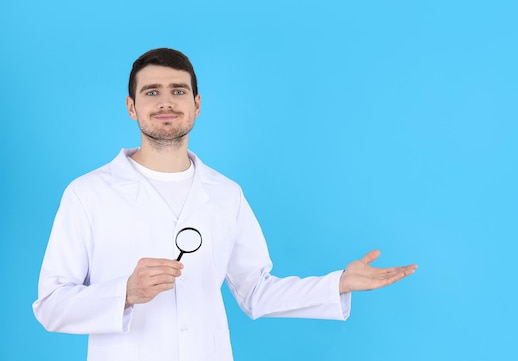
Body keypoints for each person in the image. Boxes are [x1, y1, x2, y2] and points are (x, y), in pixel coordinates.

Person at [32, 48, 417, 361]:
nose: (166, 102)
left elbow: (256, 292)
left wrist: (338, 283)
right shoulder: (89, 193)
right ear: (131, 106)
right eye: (151, 92)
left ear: (197, 104)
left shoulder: (225, 194)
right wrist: (126, 292)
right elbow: (50, 305)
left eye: (178, 91)